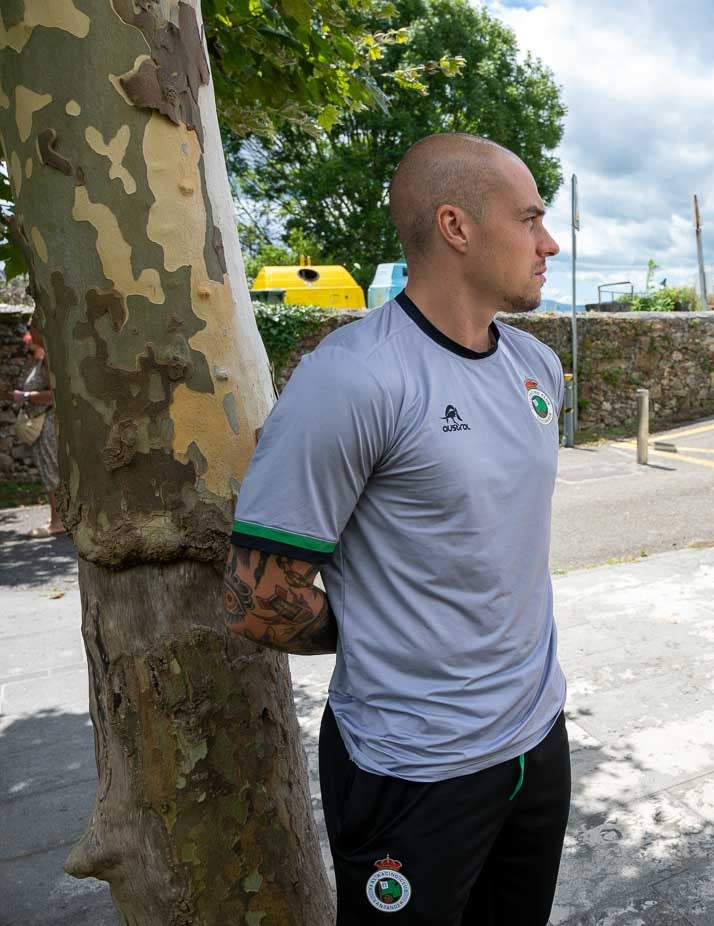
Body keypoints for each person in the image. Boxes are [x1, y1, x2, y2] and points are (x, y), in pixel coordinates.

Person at [222, 133, 570, 924]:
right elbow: (255, 600)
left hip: (535, 739)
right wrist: (383, 629)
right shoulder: (353, 377)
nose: (548, 242)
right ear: (456, 226)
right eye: (529, 218)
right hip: (412, 767)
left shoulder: (536, 368)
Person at [8, 321, 63, 538]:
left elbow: (53, 395)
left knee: (52, 470)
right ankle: (57, 517)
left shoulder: (49, 359)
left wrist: (27, 397)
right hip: (42, 421)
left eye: (31, 328)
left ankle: (58, 522)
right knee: (48, 470)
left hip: (47, 422)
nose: (27, 332)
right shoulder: (41, 358)